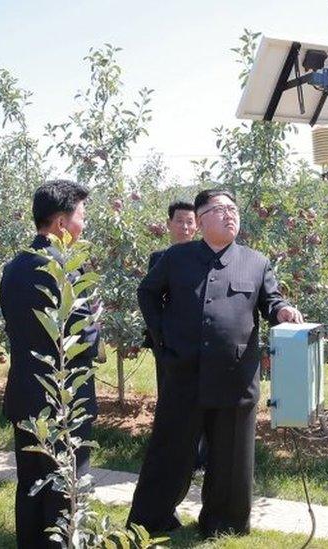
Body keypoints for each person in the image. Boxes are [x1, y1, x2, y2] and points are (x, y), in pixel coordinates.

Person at [127, 189, 303, 538]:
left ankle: (225, 525)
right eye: (220, 209)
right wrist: (163, 339)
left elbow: (271, 300)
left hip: (235, 377)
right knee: (169, 452)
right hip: (183, 374)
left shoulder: (256, 261)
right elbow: (147, 291)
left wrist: (281, 310)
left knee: (231, 458)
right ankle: (150, 520)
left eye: (233, 208)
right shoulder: (177, 258)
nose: (229, 214)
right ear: (202, 218)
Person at [0, 180, 99, 549]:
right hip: (63, 397)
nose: (83, 226)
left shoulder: (14, 266)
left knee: (31, 483)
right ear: (60, 223)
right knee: (66, 483)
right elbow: (83, 340)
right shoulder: (64, 268)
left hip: (25, 391)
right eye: (81, 217)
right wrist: (95, 326)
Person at [143, 200, 197, 392]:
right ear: (168, 224)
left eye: (190, 222)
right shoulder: (159, 258)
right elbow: (151, 296)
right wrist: (160, 333)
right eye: (180, 221)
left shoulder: (205, 258)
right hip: (170, 339)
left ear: (197, 226)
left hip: (198, 339)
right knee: (168, 390)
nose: (185, 227)